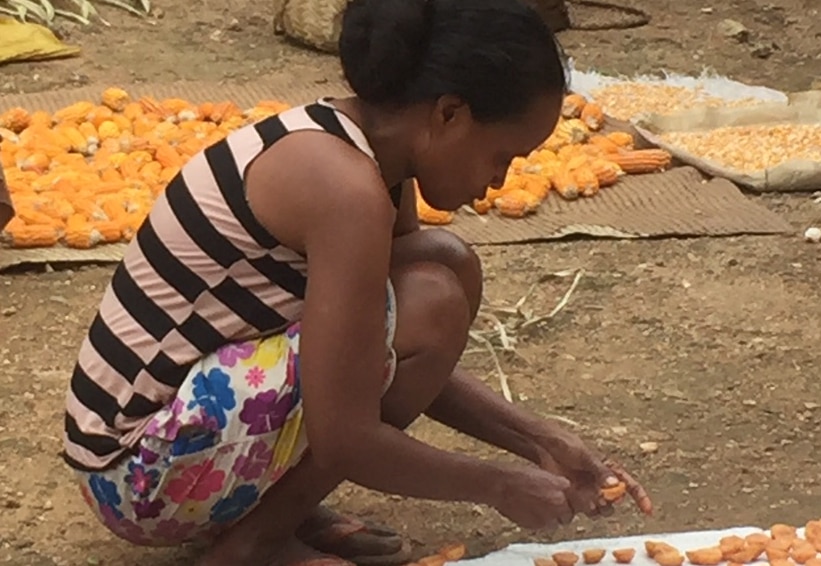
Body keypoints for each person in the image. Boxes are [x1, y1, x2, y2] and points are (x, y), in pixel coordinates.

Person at [62, 0, 652, 564]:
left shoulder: (366, 153)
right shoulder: (345, 191)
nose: (498, 181)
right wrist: (498, 484)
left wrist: (538, 440)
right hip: (136, 471)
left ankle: (269, 513)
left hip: (176, 429)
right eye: (503, 155)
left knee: (446, 265)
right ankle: (254, 543)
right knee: (435, 295)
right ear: (448, 114)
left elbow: (381, 354)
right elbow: (347, 432)